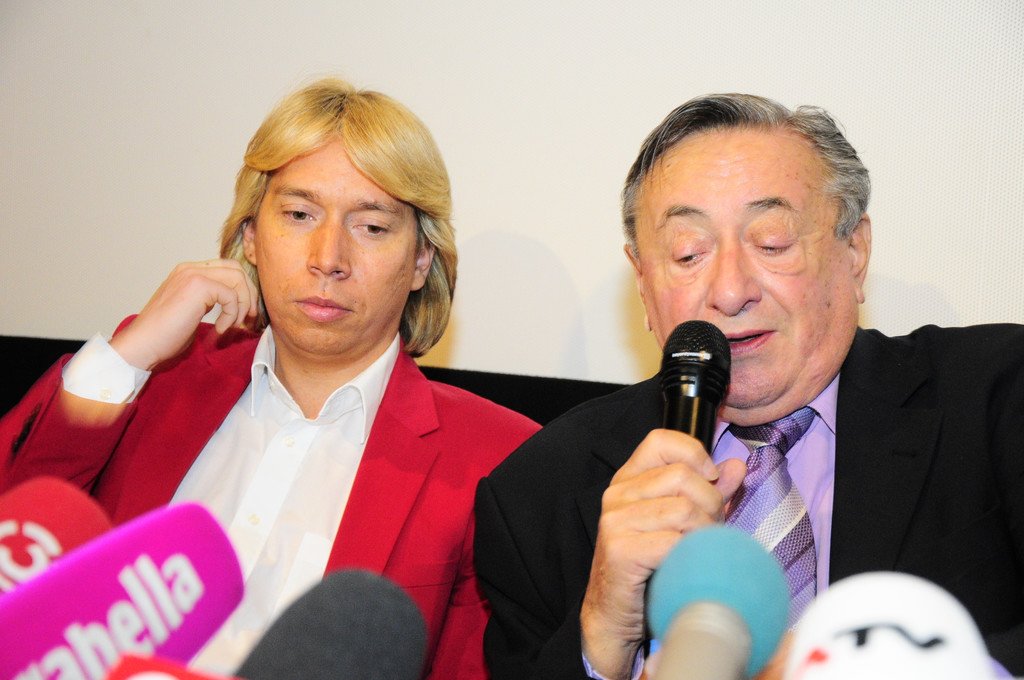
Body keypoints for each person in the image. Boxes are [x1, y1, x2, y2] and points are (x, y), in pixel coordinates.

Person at [0, 77, 539, 678]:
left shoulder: (498, 459)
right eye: (299, 215)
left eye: (371, 226)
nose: (328, 258)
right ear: (251, 237)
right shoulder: (151, 381)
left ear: (420, 261)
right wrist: (125, 358)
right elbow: (19, 545)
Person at [474, 93, 1024, 679]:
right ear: (642, 281)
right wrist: (604, 636)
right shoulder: (538, 492)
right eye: (688, 254)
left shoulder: (997, 398)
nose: (731, 291)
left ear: (855, 253)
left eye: (772, 243)